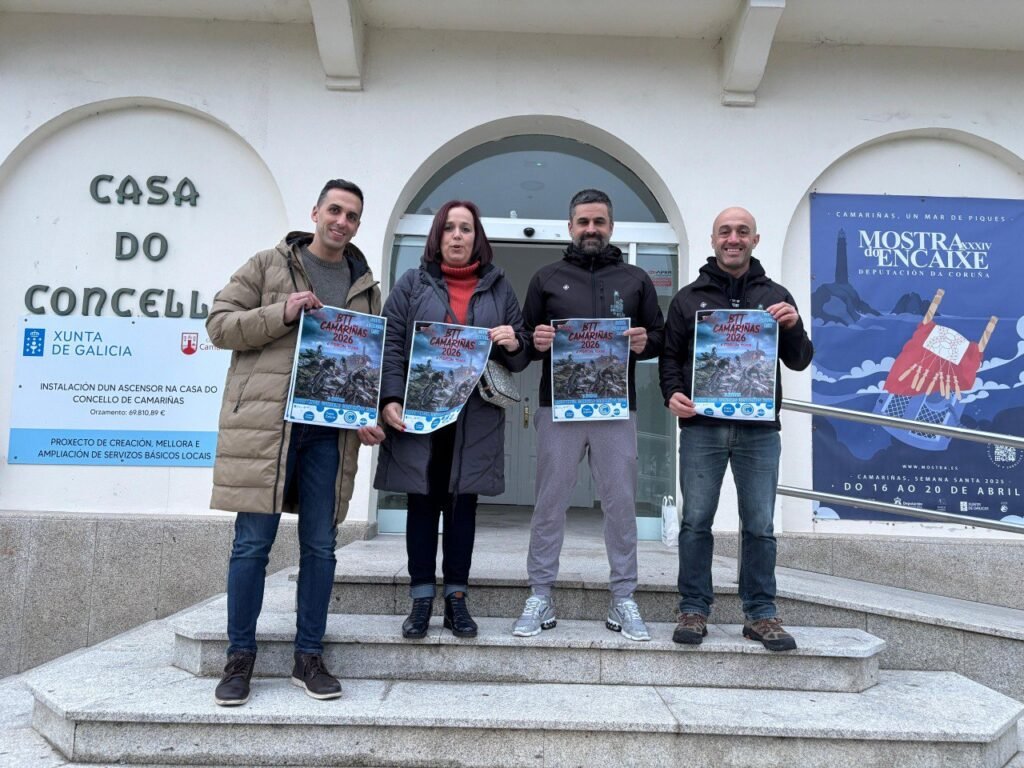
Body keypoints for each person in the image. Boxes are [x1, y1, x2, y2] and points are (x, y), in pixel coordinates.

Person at [206, 179, 385, 706]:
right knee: (252, 545)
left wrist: (364, 414)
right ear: (315, 213)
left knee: (321, 547)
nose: (342, 222)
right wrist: (281, 312)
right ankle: (240, 658)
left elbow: (362, 363)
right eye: (335, 210)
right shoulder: (267, 265)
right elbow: (219, 326)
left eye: (352, 216)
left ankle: (308, 656)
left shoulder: (364, 286)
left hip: (328, 433)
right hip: (267, 428)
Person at [659, 206, 813, 652]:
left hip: (759, 432)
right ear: (713, 240)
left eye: (742, 231)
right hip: (701, 428)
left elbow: (800, 359)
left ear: (755, 240)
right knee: (696, 521)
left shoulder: (777, 296)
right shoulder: (688, 298)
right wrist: (671, 392)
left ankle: (761, 614)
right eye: (725, 231)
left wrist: (793, 327)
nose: (733, 238)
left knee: (760, 525)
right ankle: (693, 608)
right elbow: (670, 357)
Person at [374, 200, 530, 639]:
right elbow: (390, 344)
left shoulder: (499, 287)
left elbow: (519, 356)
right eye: (449, 228)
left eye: (465, 228)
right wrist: (389, 398)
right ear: (437, 237)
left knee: (463, 509)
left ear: (477, 237)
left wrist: (514, 342)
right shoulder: (411, 284)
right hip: (421, 416)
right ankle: (421, 599)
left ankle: (457, 599)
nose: (457, 236)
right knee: (422, 504)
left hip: (474, 418)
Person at [514, 188, 665, 641]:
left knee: (621, 506)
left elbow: (661, 337)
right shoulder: (546, 278)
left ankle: (624, 598)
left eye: (599, 221)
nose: (591, 229)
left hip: (616, 410)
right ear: (570, 227)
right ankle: (540, 594)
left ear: (611, 226)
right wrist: (535, 341)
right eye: (583, 222)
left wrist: (646, 343)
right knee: (549, 504)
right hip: (558, 409)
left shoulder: (636, 279)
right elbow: (522, 342)